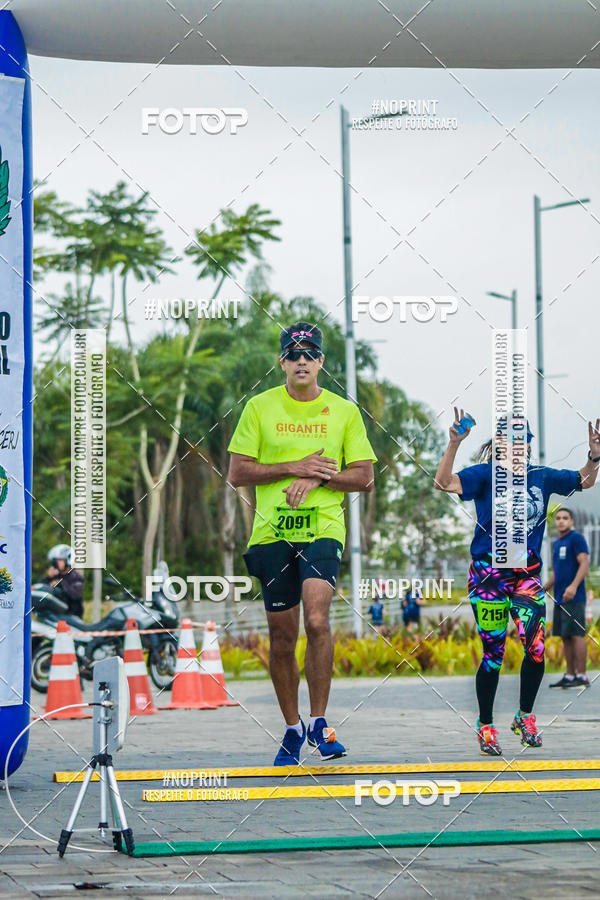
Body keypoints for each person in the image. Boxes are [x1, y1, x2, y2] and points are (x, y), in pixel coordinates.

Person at [228, 322, 376, 765]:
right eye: (293, 355)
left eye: (309, 354)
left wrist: (318, 476)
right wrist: (296, 466)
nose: (301, 361)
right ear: (282, 363)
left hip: (322, 529)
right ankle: (292, 729)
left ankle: (319, 721)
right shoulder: (260, 408)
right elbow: (238, 472)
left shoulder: (344, 412)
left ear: (321, 363)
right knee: (281, 637)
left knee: (316, 620)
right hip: (271, 534)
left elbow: (364, 477)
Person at [434, 409, 599, 756]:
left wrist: (594, 456)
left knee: (536, 649)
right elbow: (444, 483)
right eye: (511, 439)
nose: (519, 446)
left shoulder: (542, 476)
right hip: (488, 577)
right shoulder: (484, 475)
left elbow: (585, 480)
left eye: (525, 440)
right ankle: (485, 724)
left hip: (526, 577)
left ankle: (525, 715)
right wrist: (453, 444)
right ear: (500, 444)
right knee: (493, 655)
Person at [544, 508, 590, 689]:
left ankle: (583, 676)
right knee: (565, 636)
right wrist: (545, 587)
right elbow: (558, 572)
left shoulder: (576, 539)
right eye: (558, 518)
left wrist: (573, 586)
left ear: (571, 521)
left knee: (577, 635)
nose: (561, 521)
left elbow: (584, 563)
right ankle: (570, 676)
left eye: (565, 518)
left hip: (575, 597)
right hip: (559, 598)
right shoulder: (557, 542)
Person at [42, 544, 85, 618]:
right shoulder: (54, 576)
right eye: (56, 560)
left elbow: (75, 594)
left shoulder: (76, 577)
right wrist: (48, 577)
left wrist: (60, 583)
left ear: (68, 560)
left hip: (72, 617)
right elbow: (43, 592)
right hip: (55, 616)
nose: (57, 563)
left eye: (60, 560)